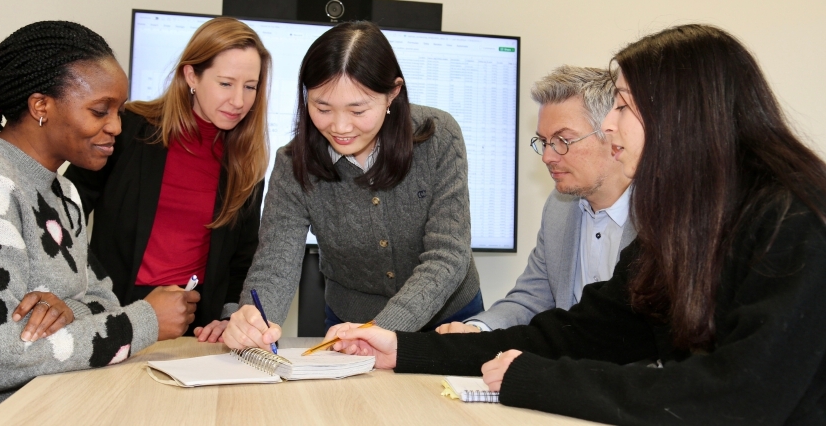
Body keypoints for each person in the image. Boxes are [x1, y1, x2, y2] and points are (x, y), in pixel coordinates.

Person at [330, 24, 826, 425]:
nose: (609, 125)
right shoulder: (687, 223)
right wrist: (406, 349)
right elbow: (577, 333)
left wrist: (539, 380)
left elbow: (740, 396)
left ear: (683, 115)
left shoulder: (794, 219)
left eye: (624, 106)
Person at [0, 21, 199, 424]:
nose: (116, 127)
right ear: (41, 106)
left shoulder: (64, 193)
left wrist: (67, 310)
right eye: (100, 111)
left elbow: (103, 301)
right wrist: (146, 321)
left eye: (119, 111)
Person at [221, 20, 482, 350]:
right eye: (322, 108)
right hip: (350, 322)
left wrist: (382, 329)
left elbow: (448, 254)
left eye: (357, 110)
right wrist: (254, 321)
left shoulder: (438, 136)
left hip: (449, 319)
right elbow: (275, 263)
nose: (340, 127)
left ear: (392, 93)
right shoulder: (294, 163)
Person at [65, 17, 270, 342]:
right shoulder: (128, 129)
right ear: (191, 76)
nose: (239, 101)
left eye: (250, 86)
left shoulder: (246, 161)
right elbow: (64, 211)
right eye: (226, 83)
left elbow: (242, 260)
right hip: (111, 313)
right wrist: (73, 290)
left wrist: (229, 317)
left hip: (196, 328)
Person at [437, 66, 633, 334]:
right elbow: (532, 297)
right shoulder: (559, 207)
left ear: (613, 135)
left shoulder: (663, 218)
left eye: (563, 140)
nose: (547, 157)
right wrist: (478, 330)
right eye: (544, 141)